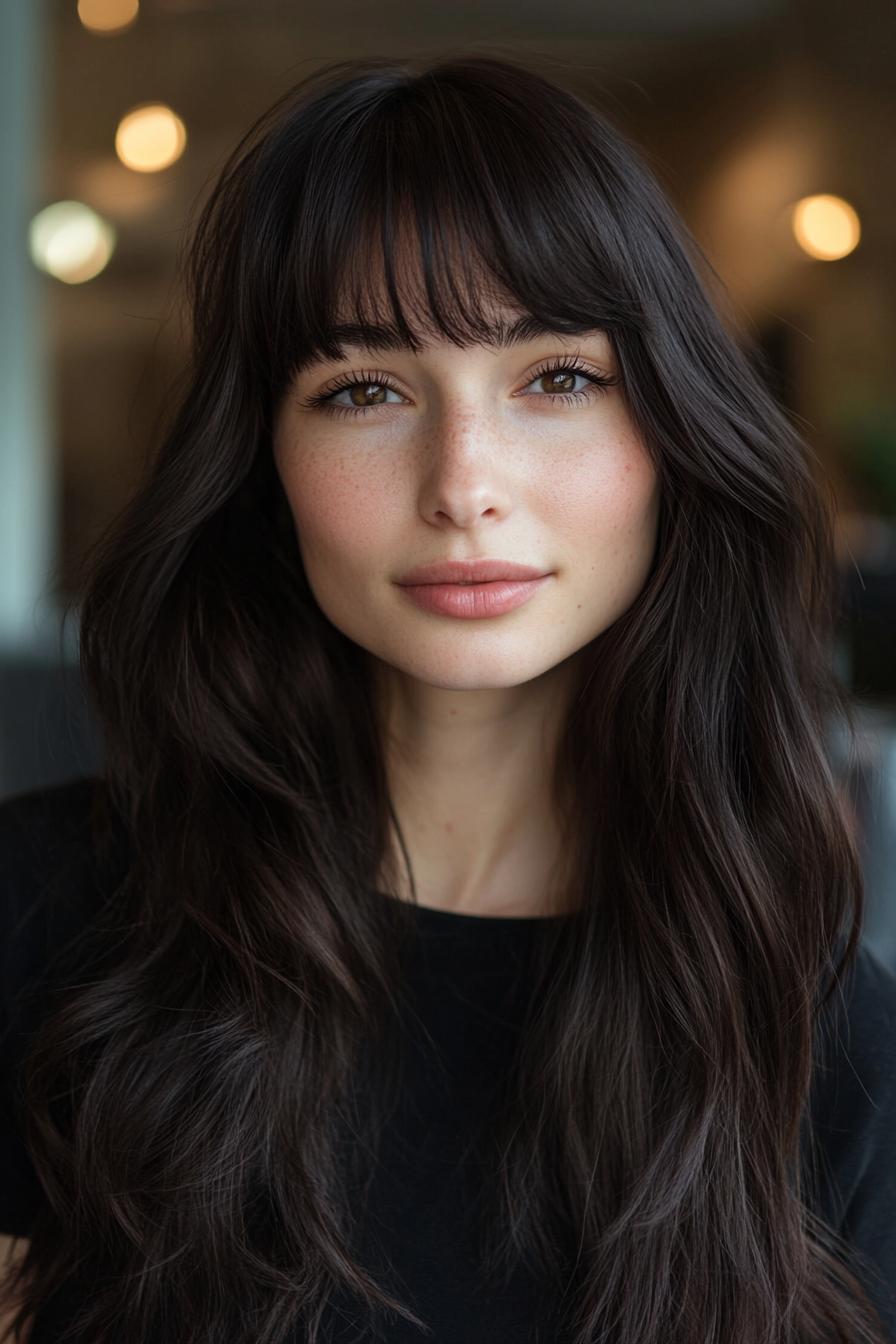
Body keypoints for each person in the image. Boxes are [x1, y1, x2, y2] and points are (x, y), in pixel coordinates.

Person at [1, 51, 895, 1344]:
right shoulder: (50, 921)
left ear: (675, 439)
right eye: (364, 391)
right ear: (265, 467)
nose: (464, 483)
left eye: (557, 379)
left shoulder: (829, 1056)